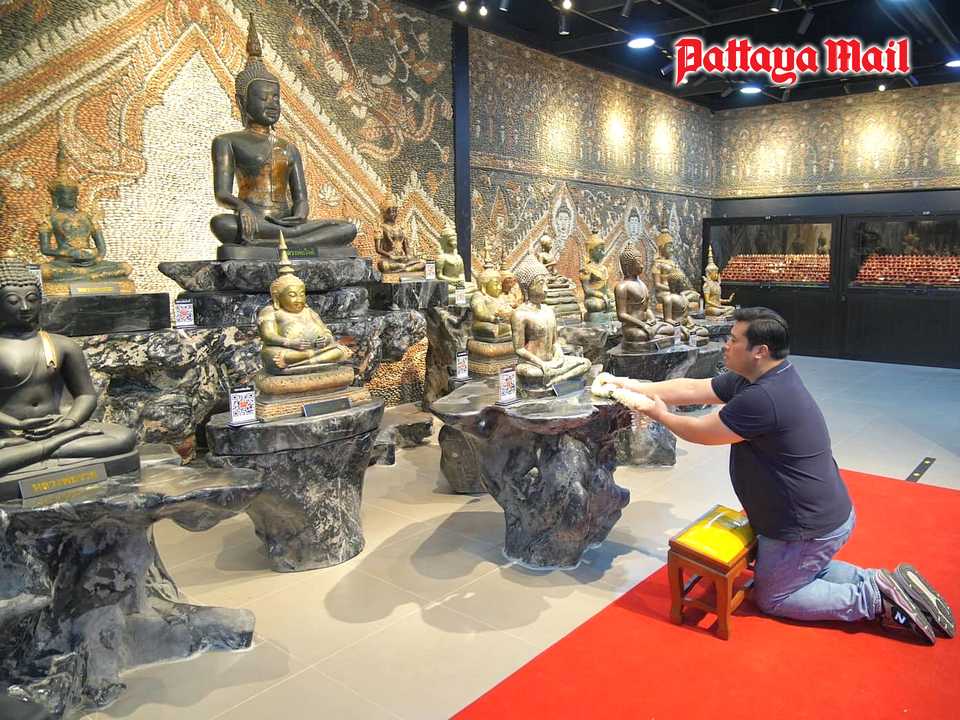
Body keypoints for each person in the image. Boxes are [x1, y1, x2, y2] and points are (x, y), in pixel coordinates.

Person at [599, 307, 954, 643]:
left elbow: (703, 432)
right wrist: (629, 386)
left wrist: (659, 414)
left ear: (760, 351)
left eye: (734, 339)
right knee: (805, 572)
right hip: (823, 517)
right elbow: (692, 389)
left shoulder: (763, 398)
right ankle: (881, 582)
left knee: (775, 596)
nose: (726, 345)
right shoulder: (763, 376)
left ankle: (874, 602)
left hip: (806, 528)